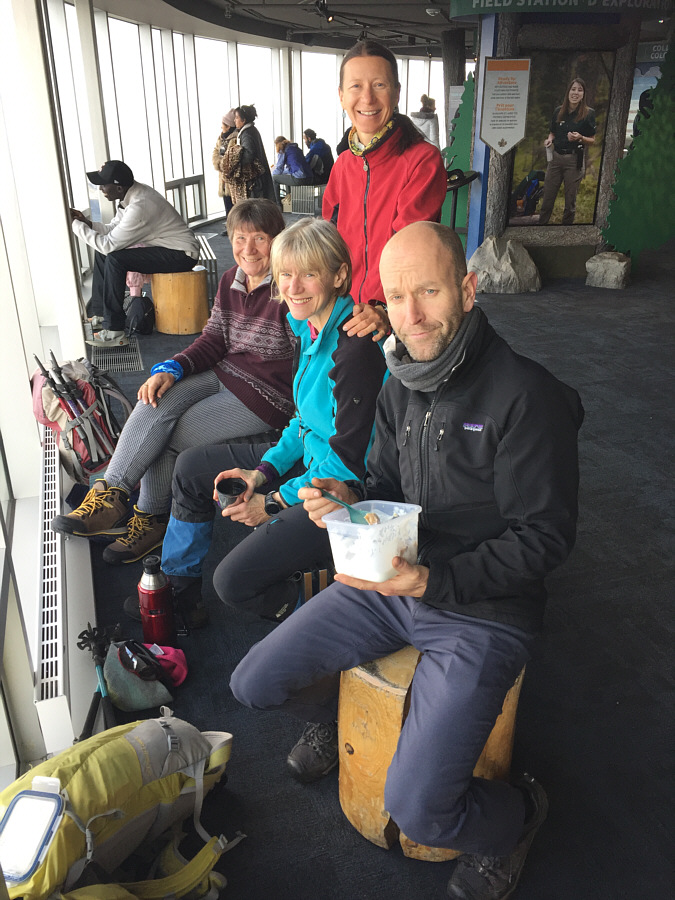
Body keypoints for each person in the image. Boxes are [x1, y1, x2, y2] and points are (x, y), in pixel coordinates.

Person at [230, 221, 584, 900]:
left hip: (482, 610)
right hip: (392, 580)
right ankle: (340, 717)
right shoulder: (400, 381)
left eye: (428, 291)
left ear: (468, 289)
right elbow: (390, 491)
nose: (412, 314)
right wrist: (351, 497)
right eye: (396, 297)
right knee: (253, 683)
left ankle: (515, 820)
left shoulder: (526, 396)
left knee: (424, 809)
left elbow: (543, 540)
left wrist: (433, 579)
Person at [53, 200, 294, 614]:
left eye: (260, 238)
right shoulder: (232, 279)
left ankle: (148, 518)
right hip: (223, 370)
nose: (249, 248)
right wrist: (173, 366)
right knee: (153, 397)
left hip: (265, 395)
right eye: (239, 238)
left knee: (169, 436)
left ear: (278, 241)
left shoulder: (289, 286)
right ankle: (112, 494)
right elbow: (215, 337)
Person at [157, 217, 387, 629]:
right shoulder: (308, 327)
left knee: (233, 583)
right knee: (190, 467)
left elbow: (348, 465)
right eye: (286, 275)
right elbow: (302, 422)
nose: (294, 288)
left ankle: (325, 617)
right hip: (312, 461)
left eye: (309, 274)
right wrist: (261, 473)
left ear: (338, 275)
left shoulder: (354, 350)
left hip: (346, 489)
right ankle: (178, 590)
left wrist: (275, 502)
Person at [322, 40, 447, 344]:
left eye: (379, 84)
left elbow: (411, 250)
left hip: (396, 312)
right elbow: (329, 244)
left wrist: (382, 306)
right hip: (344, 308)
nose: (367, 97)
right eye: (355, 86)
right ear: (341, 96)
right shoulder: (342, 165)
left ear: (396, 93)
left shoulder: (422, 160)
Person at [71, 160, 200, 345]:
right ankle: (100, 315)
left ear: (118, 187)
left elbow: (109, 245)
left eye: (103, 184)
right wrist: (87, 223)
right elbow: (112, 229)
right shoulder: (131, 196)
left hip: (182, 254)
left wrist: (74, 225)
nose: (101, 189)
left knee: (115, 258)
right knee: (104, 254)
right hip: (166, 247)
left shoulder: (140, 206)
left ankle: (115, 331)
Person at [537, 77, 596, 226]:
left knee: (570, 202)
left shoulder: (588, 113)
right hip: (555, 158)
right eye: (573, 89)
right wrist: (549, 139)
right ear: (568, 92)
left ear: (583, 94)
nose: (575, 93)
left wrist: (580, 137)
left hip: (573, 160)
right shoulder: (559, 111)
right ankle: (541, 227)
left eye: (579, 90)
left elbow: (592, 139)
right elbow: (552, 132)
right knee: (548, 197)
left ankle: (566, 230)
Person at [234, 105, 276, 202]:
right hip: (259, 177)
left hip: (255, 179)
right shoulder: (252, 130)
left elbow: (249, 155)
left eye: (236, 118)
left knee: (255, 207)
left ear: (243, 120)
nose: (234, 121)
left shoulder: (246, 134)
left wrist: (236, 161)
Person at [212, 108, 239, 228]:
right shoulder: (221, 138)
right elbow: (215, 152)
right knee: (226, 202)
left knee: (234, 204)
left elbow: (231, 158)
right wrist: (218, 163)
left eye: (223, 124)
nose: (221, 127)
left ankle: (234, 227)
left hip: (231, 177)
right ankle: (229, 225)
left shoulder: (235, 139)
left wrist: (222, 164)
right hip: (222, 177)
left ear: (228, 126)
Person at [271, 136, 314, 207]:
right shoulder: (296, 149)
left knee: (274, 178)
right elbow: (294, 166)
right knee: (288, 176)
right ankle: (290, 202)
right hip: (310, 177)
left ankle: (278, 205)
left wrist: (272, 173)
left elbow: (279, 169)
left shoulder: (282, 150)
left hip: (300, 179)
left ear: (277, 145)